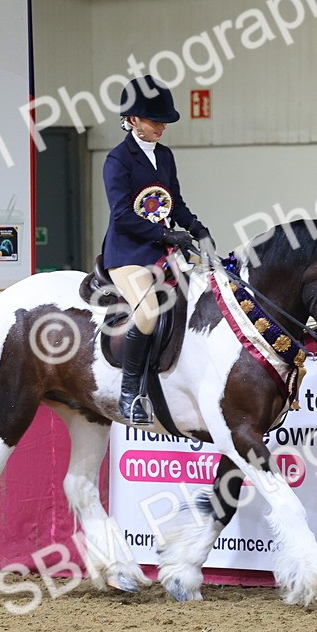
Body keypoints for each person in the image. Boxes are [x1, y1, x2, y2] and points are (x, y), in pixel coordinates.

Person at [102, 75, 213, 427]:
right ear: (133, 119)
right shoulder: (118, 161)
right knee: (149, 311)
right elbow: (121, 215)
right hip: (128, 254)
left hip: (162, 250)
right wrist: (166, 233)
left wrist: (198, 229)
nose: (162, 127)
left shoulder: (163, 156)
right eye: (155, 121)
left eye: (164, 121)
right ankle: (129, 392)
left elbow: (175, 202)